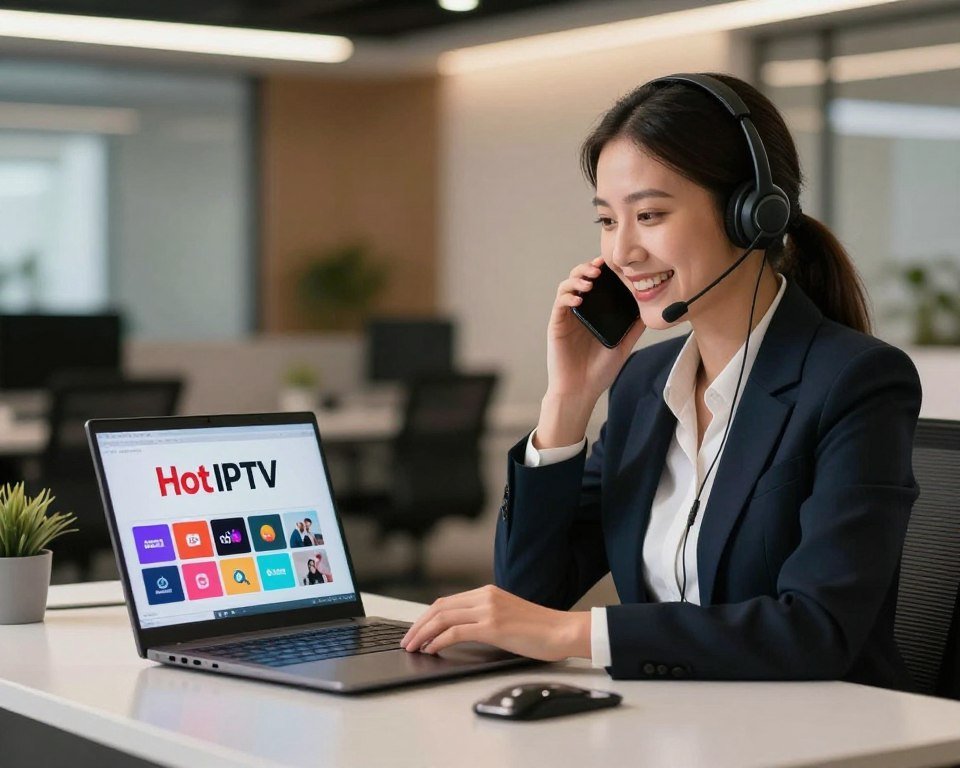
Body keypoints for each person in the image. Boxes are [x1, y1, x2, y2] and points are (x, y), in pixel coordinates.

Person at [401, 73, 921, 690]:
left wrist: (578, 634)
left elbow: (816, 630)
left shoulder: (855, 382)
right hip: (672, 728)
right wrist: (568, 400)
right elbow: (528, 594)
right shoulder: (645, 383)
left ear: (752, 214)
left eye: (648, 215)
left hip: (826, 736)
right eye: (606, 220)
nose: (621, 252)